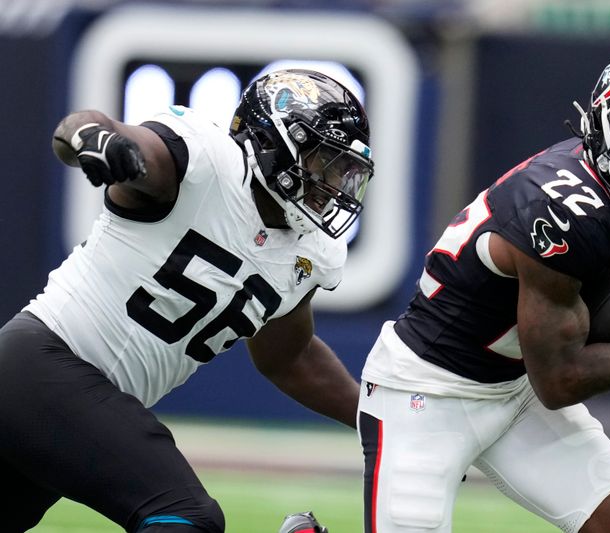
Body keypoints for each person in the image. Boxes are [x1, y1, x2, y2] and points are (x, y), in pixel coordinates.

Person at [357, 46, 610, 533]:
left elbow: (561, 338)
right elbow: (560, 382)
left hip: (514, 387)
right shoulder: (564, 209)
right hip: (426, 392)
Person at [0, 68, 374, 532]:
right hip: (43, 364)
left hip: (70, 399)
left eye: (342, 169)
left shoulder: (310, 251)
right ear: (276, 141)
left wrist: (374, 423)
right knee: (184, 516)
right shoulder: (204, 160)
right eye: (323, 162)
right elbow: (87, 130)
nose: (332, 183)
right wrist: (95, 139)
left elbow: (289, 358)